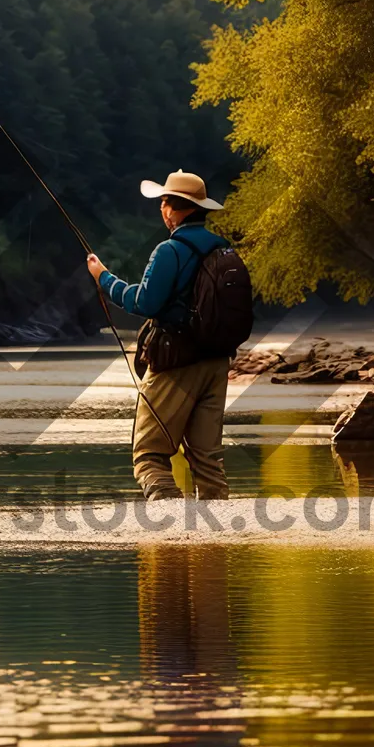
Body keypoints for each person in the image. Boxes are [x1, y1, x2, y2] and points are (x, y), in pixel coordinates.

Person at [86, 170, 232, 502]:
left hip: (175, 361)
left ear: (174, 208)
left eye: (164, 202)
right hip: (217, 362)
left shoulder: (170, 250)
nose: (162, 208)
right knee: (208, 462)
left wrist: (103, 277)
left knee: (149, 455)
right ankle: (218, 545)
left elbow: (144, 302)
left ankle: (171, 532)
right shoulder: (223, 250)